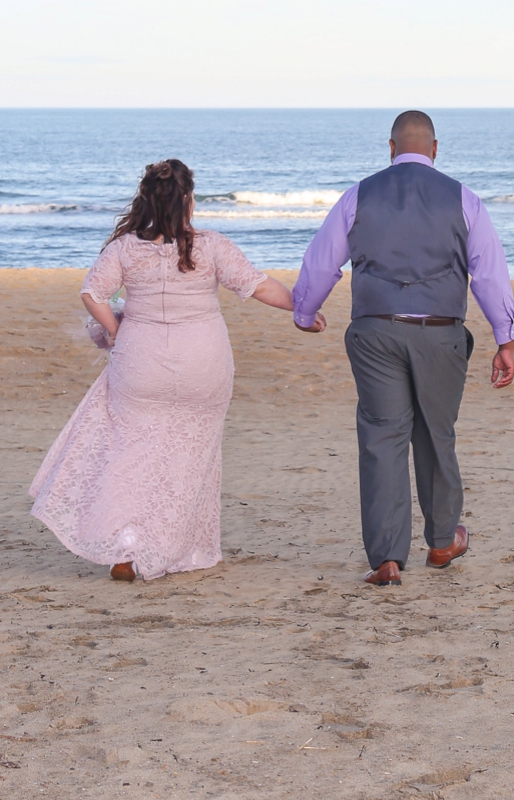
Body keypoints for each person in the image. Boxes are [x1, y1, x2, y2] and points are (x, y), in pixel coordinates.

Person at [29, 158, 324, 583]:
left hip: (140, 363)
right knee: (189, 458)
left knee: (131, 456)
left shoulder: (125, 248)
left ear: (147, 199)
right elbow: (260, 286)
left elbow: (92, 294)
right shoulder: (212, 245)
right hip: (203, 365)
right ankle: (171, 548)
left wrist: (115, 331)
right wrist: (304, 308)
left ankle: (128, 547)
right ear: (188, 201)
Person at [292, 110, 514, 586]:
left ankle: (388, 559)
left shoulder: (359, 194)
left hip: (376, 330)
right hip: (440, 330)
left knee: (382, 438)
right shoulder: (464, 199)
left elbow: (322, 260)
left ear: (390, 148)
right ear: (435, 148)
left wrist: (305, 312)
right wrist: (504, 337)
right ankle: (440, 543)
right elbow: (489, 274)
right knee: (436, 433)